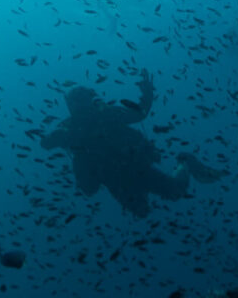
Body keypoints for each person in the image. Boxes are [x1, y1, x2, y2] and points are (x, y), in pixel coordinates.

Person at [40, 71, 222, 218]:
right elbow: (46, 143)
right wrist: (52, 139)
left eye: (81, 102)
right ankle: (176, 171)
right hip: (114, 179)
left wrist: (147, 91)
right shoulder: (71, 128)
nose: (80, 107)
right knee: (143, 212)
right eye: (77, 103)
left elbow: (140, 114)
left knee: (175, 192)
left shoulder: (105, 115)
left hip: (136, 167)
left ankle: (185, 162)